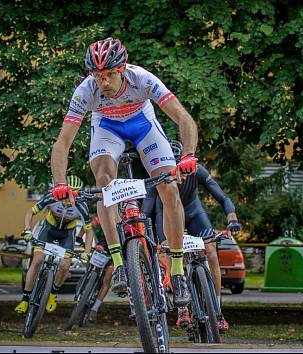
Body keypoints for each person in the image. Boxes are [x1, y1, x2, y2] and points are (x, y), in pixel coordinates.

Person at [50, 37, 198, 307]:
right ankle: (119, 262)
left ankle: (177, 270)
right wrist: (60, 182)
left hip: (143, 124)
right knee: (105, 183)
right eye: (97, 76)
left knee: (169, 186)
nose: (103, 82)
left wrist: (187, 155)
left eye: (108, 75)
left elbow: (183, 118)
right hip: (107, 127)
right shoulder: (85, 92)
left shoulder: (142, 78)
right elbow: (62, 142)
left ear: (122, 69)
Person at [143, 140, 242, 332]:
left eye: (181, 168)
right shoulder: (158, 175)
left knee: (211, 251)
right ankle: (182, 308)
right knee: (169, 253)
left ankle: (218, 311)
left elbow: (223, 198)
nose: (179, 174)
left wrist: (232, 218)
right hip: (167, 215)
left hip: (194, 212)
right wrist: (145, 233)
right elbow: (146, 210)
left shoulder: (197, 170)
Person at [15, 175, 94, 315]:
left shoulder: (81, 205)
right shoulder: (52, 197)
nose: (71, 200)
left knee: (64, 266)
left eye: (75, 195)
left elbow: (89, 231)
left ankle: (53, 293)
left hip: (67, 233)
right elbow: (30, 212)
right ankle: (25, 299)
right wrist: (27, 229)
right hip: (49, 230)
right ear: (63, 191)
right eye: (69, 195)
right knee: (37, 261)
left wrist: (86, 252)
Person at [81, 216, 114, 323]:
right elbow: (89, 224)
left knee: (107, 279)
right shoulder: (106, 215)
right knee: (91, 263)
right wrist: (80, 236)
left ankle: (94, 309)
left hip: (116, 253)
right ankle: (85, 283)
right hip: (103, 246)